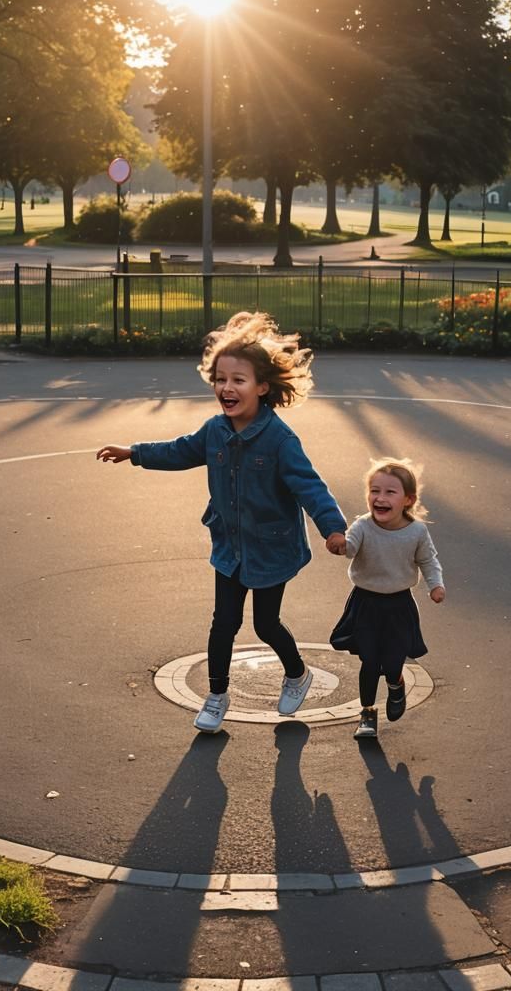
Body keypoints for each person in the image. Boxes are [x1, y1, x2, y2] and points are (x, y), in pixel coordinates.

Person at [98, 311, 347, 733]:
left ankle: (297, 673)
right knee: (224, 623)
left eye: (238, 380)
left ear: (262, 386)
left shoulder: (280, 440)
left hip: (271, 548)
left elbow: (310, 487)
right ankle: (216, 697)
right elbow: (179, 450)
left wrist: (333, 527)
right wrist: (135, 452)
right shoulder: (214, 430)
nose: (226, 388)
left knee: (266, 624)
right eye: (220, 379)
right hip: (230, 546)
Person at [330, 458, 445, 739]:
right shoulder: (363, 525)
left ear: (408, 500)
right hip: (365, 603)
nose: (380, 498)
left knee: (393, 661)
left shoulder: (417, 532)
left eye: (390, 492)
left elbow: (428, 560)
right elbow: (350, 547)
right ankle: (367, 714)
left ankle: (396, 683)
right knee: (369, 661)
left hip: (399, 605)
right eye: (374, 491)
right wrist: (340, 545)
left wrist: (435, 585)